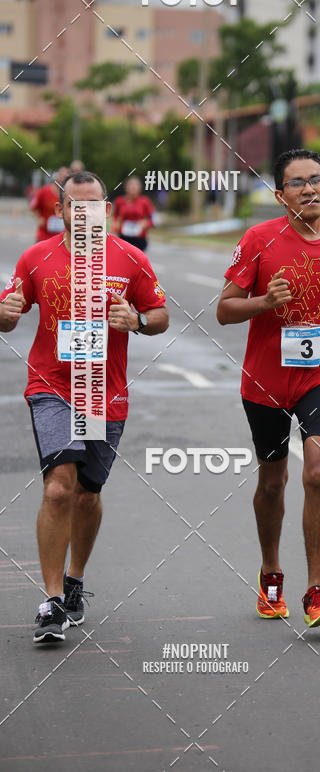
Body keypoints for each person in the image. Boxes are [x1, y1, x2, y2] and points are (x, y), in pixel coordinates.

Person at [0, 170, 169, 644]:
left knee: (87, 494)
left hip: (103, 391)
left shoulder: (131, 260)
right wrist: (5, 313)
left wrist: (136, 319)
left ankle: (74, 581)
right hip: (51, 385)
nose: (86, 212)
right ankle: (52, 601)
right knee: (59, 487)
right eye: (76, 205)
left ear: (107, 210)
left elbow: (160, 315)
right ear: (60, 211)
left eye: (94, 204)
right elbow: (8, 314)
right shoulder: (36, 258)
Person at [216, 148, 320, 628]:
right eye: (298, 182)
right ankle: (270, 572)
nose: (309, 189)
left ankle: (318, 592)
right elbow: (224, 309)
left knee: (319, 474)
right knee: (273, 481)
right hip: (264, 380)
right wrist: (264, 300)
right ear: (281, 195)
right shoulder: (259, 239)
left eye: (316, 180)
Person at [112, 176, 155, 252]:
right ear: (126, 187)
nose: (133, 187)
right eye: (131, 185)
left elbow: (152, 219)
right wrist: (116, 225)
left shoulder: (145, 201)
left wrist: (146, 224)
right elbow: (115, 216)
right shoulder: (119, 201)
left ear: (140, 188)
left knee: (137, 262)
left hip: (139, 239)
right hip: (124, 238)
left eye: (136, 185)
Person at [29, 166, 70, 241]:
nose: (62, 179)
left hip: (62, 237)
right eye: (61, 176)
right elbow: (33, 207)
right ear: (57, 176)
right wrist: (39, 218)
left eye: (65, 177)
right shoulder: (44, 191)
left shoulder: (69, 194)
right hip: (44, 235)